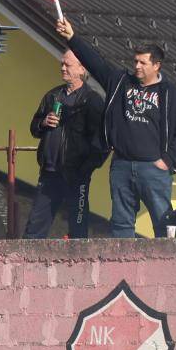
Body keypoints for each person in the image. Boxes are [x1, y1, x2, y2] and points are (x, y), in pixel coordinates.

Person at [55, 19, 176, 238]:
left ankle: (166, 270)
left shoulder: (170, 93)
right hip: (121, 165)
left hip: (154, 169)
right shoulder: (120, 82)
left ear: (156, 65)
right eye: (135, 61)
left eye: (142, 62)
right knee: (121, 225)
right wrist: (72, 37)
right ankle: (125, 272)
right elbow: (95, 63)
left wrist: (168, 160)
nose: (137, 66)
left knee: (163, 224)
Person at [24, 49, 107, 239]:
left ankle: (80, 267)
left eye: (67, 64)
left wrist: (86, 169)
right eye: (62, 63)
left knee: (78, 229)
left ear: (81, 68)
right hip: (49, 173)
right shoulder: (53, 95)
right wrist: (43, 122)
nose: (62, 68)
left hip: (75, 175)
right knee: (33, 230)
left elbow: (102, 141)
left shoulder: (91, 100)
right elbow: (34, 128)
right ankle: (27, 267)